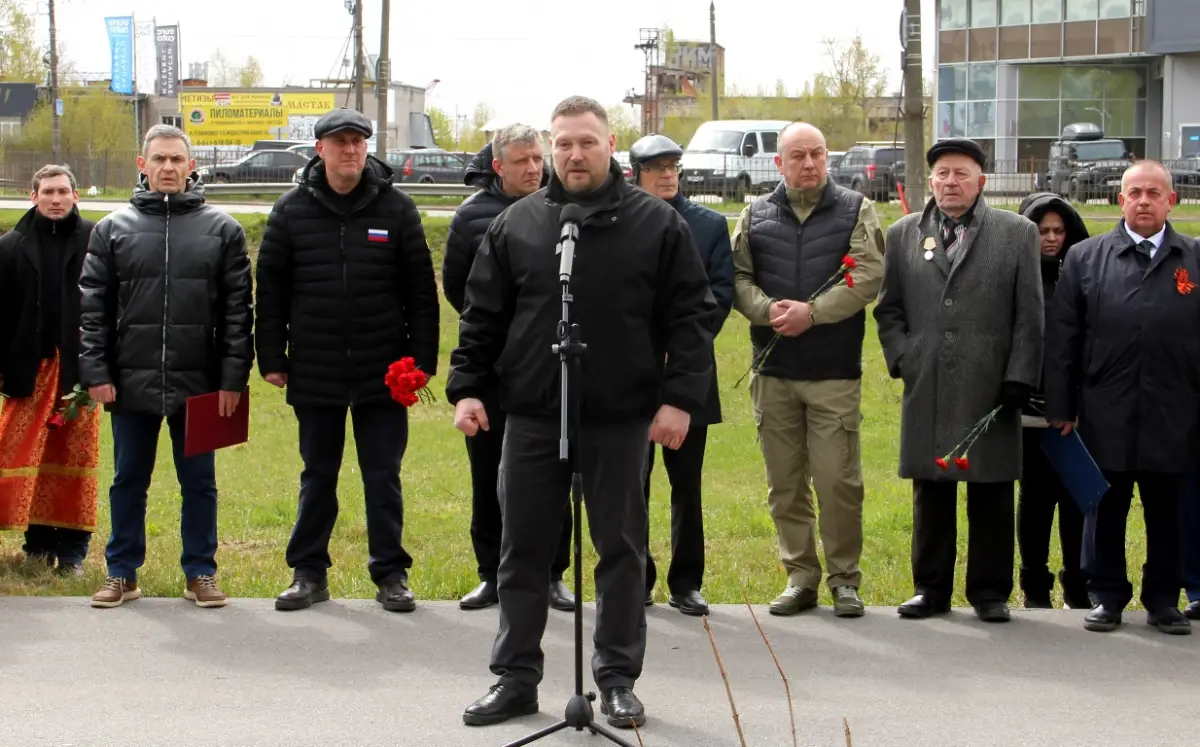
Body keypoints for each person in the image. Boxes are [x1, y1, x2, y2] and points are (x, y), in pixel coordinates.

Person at [447, 95, 717, 729]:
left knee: (621, 551)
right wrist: (467, 388)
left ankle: (617, 679)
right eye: (563, 143)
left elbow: (693, 317)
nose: (573, 154)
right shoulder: (518, 224)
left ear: (610, 143)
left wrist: (679, 399)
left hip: (622, 416)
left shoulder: (657, 223)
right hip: (534, 414)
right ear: (550, 146)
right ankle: (515, 677)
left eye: (586, 142)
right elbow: (482, 316)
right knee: (523, 549)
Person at [256, 108, 440, 614]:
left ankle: (391, 574)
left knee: (383, 474)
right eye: (339, 143)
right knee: (318, 474)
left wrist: (421, 361)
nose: (350, 151)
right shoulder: (290, 211)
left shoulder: (396, 209)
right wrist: (271, 356)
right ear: (320, 150)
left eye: (358, 142)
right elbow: (270, 290)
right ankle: (308, 572)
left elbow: (421, 292)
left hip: (382, 370)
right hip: (315, 368)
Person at [78, 125, 254, 609]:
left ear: (190, 165)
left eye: (178, 159)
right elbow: (94, 309)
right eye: (160, 159)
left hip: (200, 384)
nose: (169, 168)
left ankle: (200, 571)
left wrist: (232, 380)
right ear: (143, 164)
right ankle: (121, 572)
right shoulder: (112, 229)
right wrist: (96, 373)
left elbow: (238, 314)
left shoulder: (223, 230)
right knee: (128, 480)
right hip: (129, 382)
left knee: (199, 482)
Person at [874, 137, 1043, 623]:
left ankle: (990, 591)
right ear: (931, 180)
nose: (951, 182)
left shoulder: (1017, 233)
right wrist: (905, 357)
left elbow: (1030, 315)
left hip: (991, 384)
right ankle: (930, 588)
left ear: (981, 182)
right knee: (932, 489)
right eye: (943, 173)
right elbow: (888, 309)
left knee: (990, 489)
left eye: (961, 174)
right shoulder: (905, 233)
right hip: (927, 381)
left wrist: (1019, 376)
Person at [731, 121, 885, 618]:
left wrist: (812, 313)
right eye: (798, 155)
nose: (809, 163)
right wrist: (769, 310)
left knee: (838, 480)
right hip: (772, 374)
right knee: (785, 483)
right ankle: (801, 577)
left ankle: (844, 580)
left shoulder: (856, 210)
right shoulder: (754, 215)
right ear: (778, 163)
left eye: (817, 153)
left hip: (832, 374)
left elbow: (867, 277)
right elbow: (736, 277)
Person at [1044, 160, 1200, 635]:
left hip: (1175, 411)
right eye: (1135, 193)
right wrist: (1060, 407)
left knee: (1168, 511)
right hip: (1104, 407)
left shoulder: (1193, 258)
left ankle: (1163, 600)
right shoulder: (1086, 258)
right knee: (1104, 509)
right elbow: (1064, 339)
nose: (1144, 201)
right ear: (1121, 200)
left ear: (1172, 201)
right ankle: (1107, 595)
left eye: (1154, 193)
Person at [443, 126, 575, 613]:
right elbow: (458, 290)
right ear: (498, 166)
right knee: (488, 474)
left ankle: (553, 573)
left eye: (538, 159)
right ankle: (491, 573)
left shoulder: (561, 210)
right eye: (522, 160)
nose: (534, 168)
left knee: (556, 470)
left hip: (550, 366)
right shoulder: (471, 217)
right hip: (493, 368)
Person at [629, 133, 733, 617]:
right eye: (657, 168)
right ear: (637, 173)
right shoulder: (621, 222)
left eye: (673, 166)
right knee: (634, 483)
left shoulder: (709, 225)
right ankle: (636, 577)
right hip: (631, 375)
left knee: (685, 486)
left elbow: (720, 294)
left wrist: (678, 348)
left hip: (688, 375)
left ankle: (686, 582)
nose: (668, 174)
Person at [0, 165, 99, 576]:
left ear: (76, 196)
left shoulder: (98, 240)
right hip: (29, 370)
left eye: (63, 191)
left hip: (82, 372)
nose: (55, 199)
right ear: (33, 195)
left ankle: (73, 553)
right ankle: (37, 546)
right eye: (48, 192)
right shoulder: (10, 246)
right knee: (19, 454)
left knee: (74, 461)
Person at [1014, 192, 1091, 610]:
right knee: (1035, 498)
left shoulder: (1081, 273)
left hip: (1074, 412)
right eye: (1042, 230)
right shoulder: (1016, 274)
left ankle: (1078, 586)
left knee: (1076, 498)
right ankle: (1034, 587)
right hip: (1028, 409)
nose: (1051, 238)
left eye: (1059, 231)